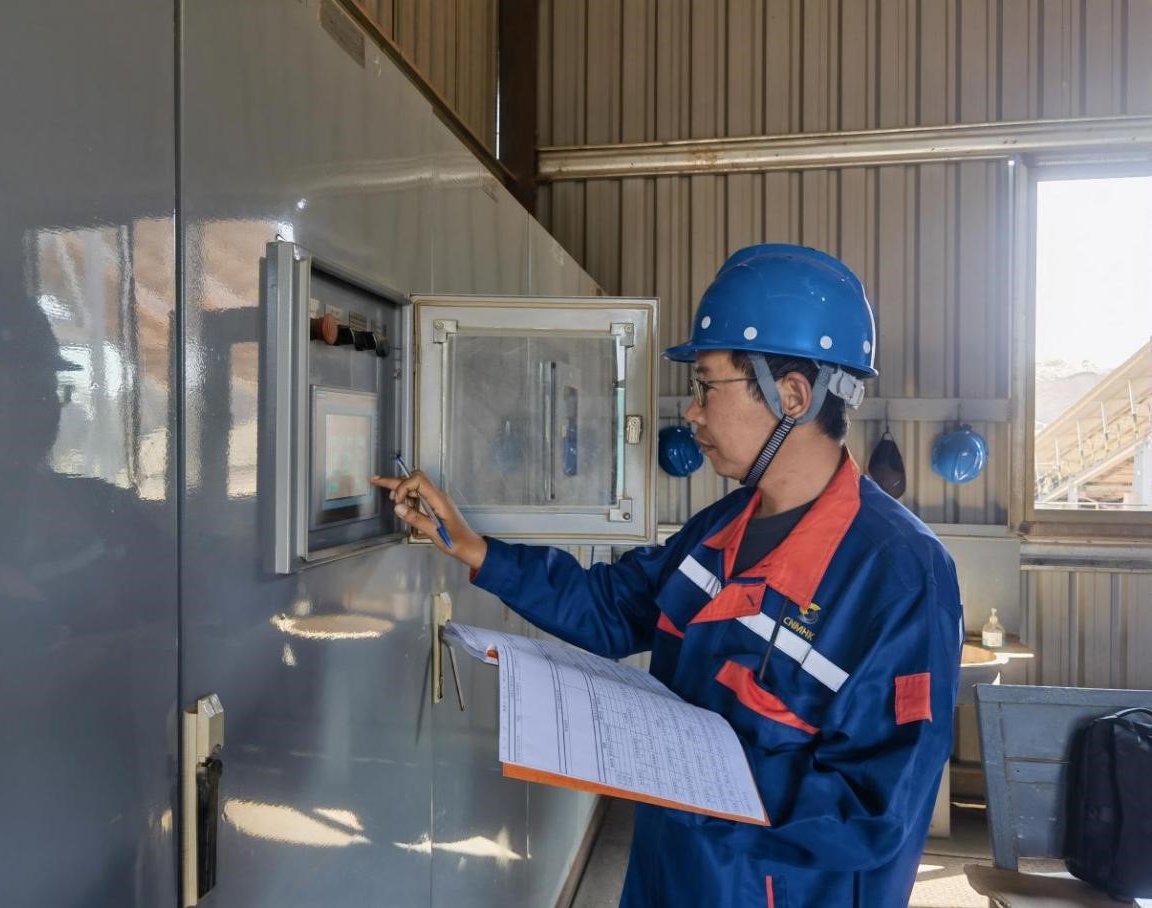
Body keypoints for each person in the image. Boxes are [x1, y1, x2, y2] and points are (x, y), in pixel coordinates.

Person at [372, 244, 963, 907]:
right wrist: (476, 549)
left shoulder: (901, 577)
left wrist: (695, 775)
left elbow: (874, 807)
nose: (691, 411)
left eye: (707, 385)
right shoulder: (720, 528)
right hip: (667, 876)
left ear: (792, 396)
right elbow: (611, 607)